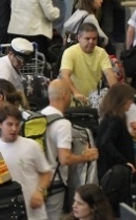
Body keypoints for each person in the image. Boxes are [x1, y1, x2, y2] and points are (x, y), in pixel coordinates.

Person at [42, 80, 101, 217]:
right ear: (64, 95)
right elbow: (64, 158)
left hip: (37, 181)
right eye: (70, 94)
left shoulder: (38, 116)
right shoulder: (62, 124)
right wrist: (85, 157)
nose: (71, 98)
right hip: (54, 183)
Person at [60, 24, 117, 105]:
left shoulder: (101, 53)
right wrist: (76, 93)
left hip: (94, 100)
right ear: (79, 38)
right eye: (87, 38)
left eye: (94, 39)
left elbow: (109, 75)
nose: (91, 42)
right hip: (74, 102)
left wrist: (117, 93)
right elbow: (64, 76)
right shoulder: (70, 52)